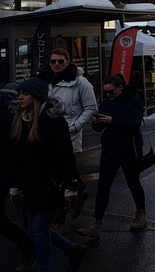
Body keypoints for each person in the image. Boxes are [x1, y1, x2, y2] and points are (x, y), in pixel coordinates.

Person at [9, 78, 87, 272]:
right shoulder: (21, 118)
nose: (20, 98)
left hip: (50, 184)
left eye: (24, 94)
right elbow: (17, 157)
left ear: (35, 96)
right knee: (33, 229)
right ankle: (72, 250)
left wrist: (71, 187)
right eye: (19, 94)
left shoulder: (53, 120)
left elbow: (65, 155)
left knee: (39, 231)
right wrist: (15, 186)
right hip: (30, 184)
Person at [78, 74, 146, 239]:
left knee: (133, 182)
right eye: (105, 92)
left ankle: (141, 213)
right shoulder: (106, 103)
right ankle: (97, 222)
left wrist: (112, 120)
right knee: (103, 186)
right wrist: (97, 122)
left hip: (129, 149)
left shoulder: (133, 101)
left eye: (111, 92)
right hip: (109, 149)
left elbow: (134, 123)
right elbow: (98, 128)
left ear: (120, 88)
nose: (108, 95)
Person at [38, 48, 96, 233]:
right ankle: (79, 192)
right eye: (53, 61)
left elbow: (90, 107)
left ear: (68, 61)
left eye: (60, 61)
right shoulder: (45, 81)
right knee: (56, 175)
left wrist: (75, 126)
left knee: (62, 176)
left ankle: (60, 219)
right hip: (47, 135)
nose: (56, 64)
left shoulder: (80, 82)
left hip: (68, 133)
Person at [0, 82, 36, 271]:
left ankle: (28, 246)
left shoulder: (9, 116)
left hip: (6, 172)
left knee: (36, 226)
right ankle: (70, 249)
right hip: (9, 171)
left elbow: (14, 150)